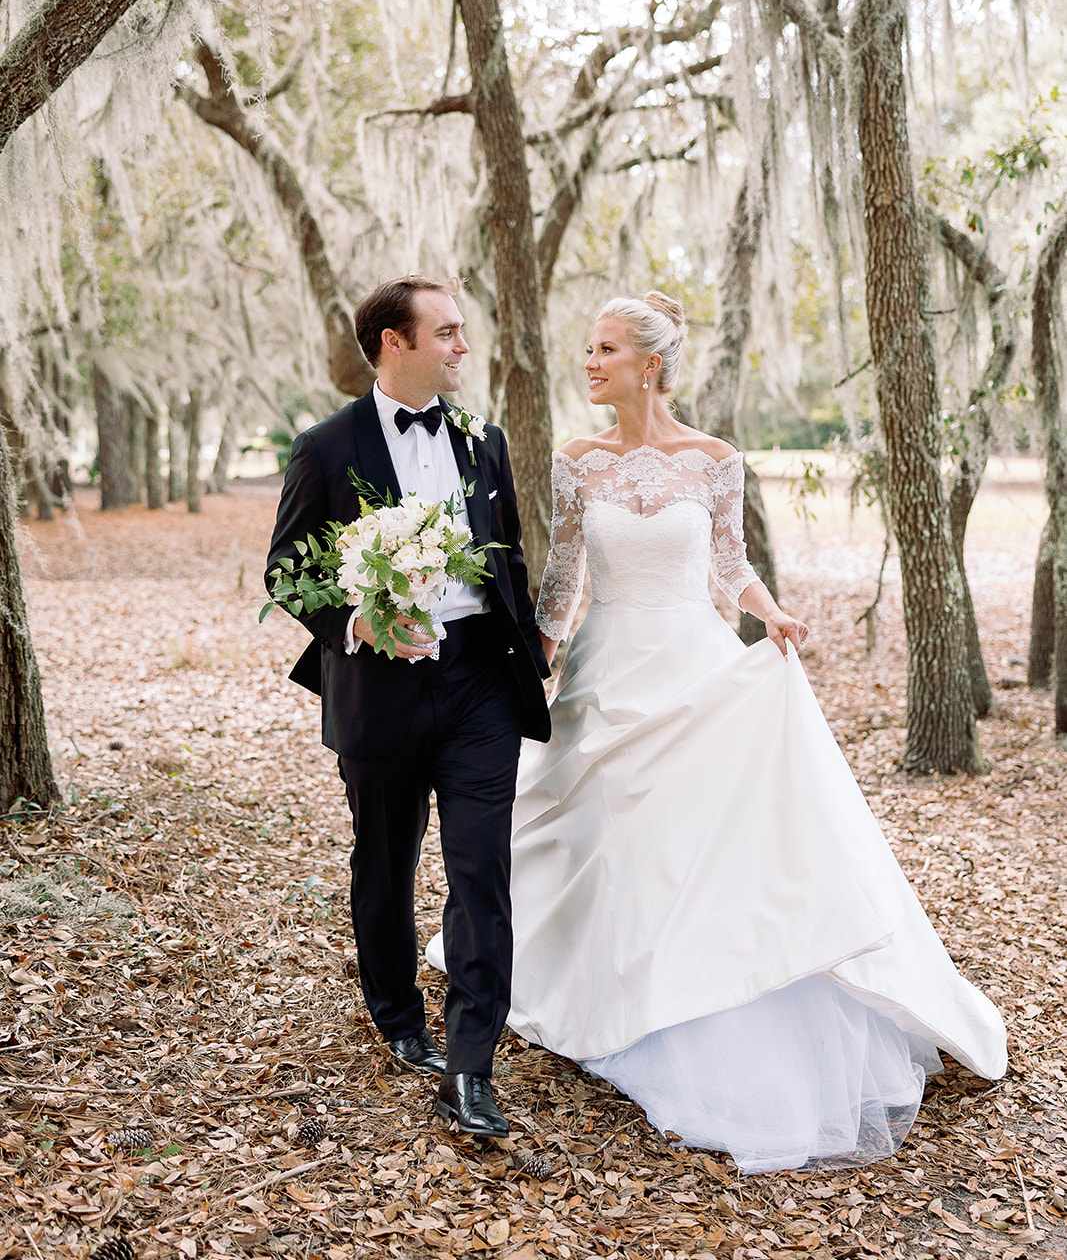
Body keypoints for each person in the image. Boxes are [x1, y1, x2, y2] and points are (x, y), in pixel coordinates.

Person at [436, 290, 1007, 1173]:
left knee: (692, 841)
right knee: (599, 831)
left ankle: (695, 991)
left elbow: (730, 562)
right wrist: (535, 654)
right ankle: (604, 989)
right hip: (603, 670)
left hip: (690, 664)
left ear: (647, 366)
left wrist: (770, 615)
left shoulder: (713, 460)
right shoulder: (577, 460)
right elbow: (561, 573)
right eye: (587, 349)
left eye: (605, 349)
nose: (588, 363)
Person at [266, 276, 551, 1138]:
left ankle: (470, 1067)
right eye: (449, 332)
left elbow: (508, 560)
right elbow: (285, 571)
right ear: (396, 342)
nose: (464, 345)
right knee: (384, 862)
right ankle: (396, 1018)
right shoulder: (325, 447)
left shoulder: (482, 440)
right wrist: (358, 619)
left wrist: (534, 633)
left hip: (479, 689)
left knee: (480, 871)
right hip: (380, 689)